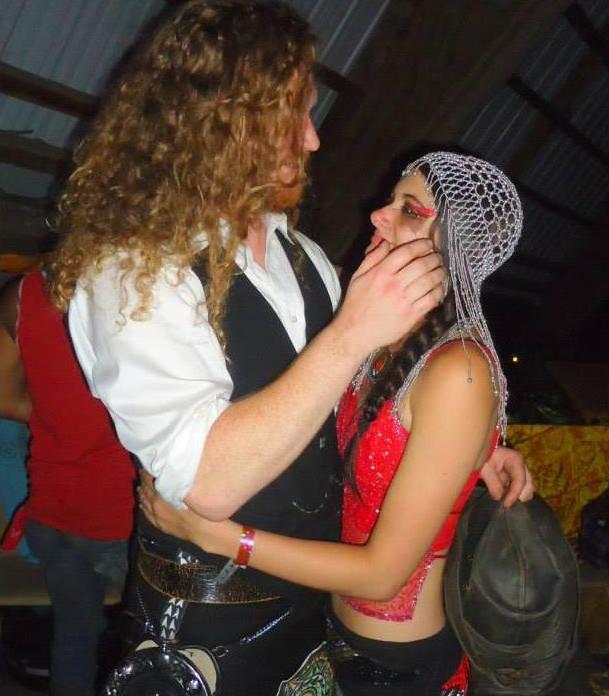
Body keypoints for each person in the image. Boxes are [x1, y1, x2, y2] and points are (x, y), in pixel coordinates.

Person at [48, 2, 530, 693]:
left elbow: (362, 401)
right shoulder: (133, 269)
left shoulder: (304, 257)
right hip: (205, 628)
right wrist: (352, 332)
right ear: (227, 121)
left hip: (315, 619)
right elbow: (208, 484)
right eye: (295, 116)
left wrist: (473, 448)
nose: (313, 139)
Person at [141, 151, 530, 695]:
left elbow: (382, 575)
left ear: (456, 247)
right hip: (329, 632)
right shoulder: (380, 334)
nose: (378, 215)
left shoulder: (458, 370)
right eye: (391, 200)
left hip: (398, 666)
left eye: (409, 210)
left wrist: (220, 536)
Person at [0, 270, 135, 696]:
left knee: (74, 638)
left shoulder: (22, 293)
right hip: (126, 518)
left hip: (54, 514)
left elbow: (4, 398)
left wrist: (55, 415)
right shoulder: (149, 284)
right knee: (156, 645)